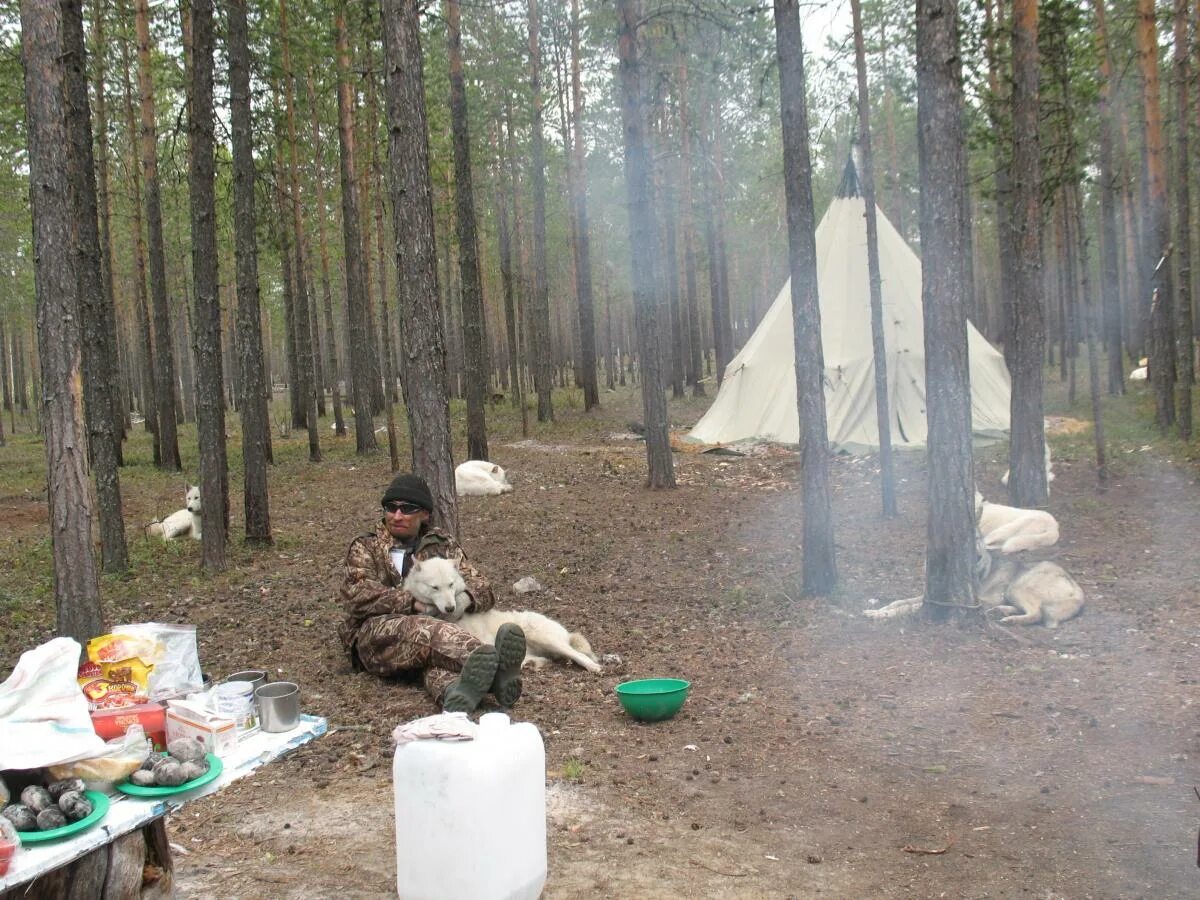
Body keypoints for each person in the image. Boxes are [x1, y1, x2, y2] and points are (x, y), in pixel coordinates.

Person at [338, 473, 525, 713]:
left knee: (433, 660)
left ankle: (455, 692)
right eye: (391, 508)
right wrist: (412, 603)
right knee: (427, 631)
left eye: (406, 509)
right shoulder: (366, 546)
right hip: (376, 636)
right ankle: (498, 667)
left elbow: (482, 586)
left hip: (425, 645)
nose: (397, 515)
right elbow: (356, 594)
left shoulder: (442, 545)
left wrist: (464, 599)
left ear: (424, 514)